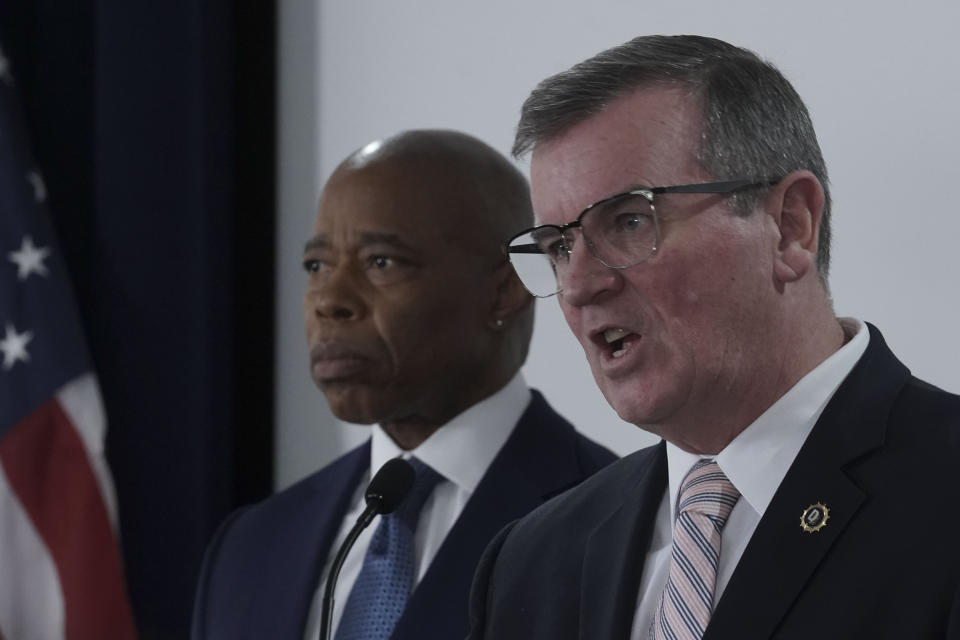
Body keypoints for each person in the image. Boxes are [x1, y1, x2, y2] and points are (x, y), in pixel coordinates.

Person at [468, 35, 960, 639]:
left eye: (628, 221)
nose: (578, 286)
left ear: (789, 227)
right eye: (559, 246)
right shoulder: (531, 563)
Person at [191, 129, 616, 640]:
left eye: (381, 262)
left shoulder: (617, 527)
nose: (330, 300)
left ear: (506, 290)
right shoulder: (252, 544)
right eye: (316, 266)